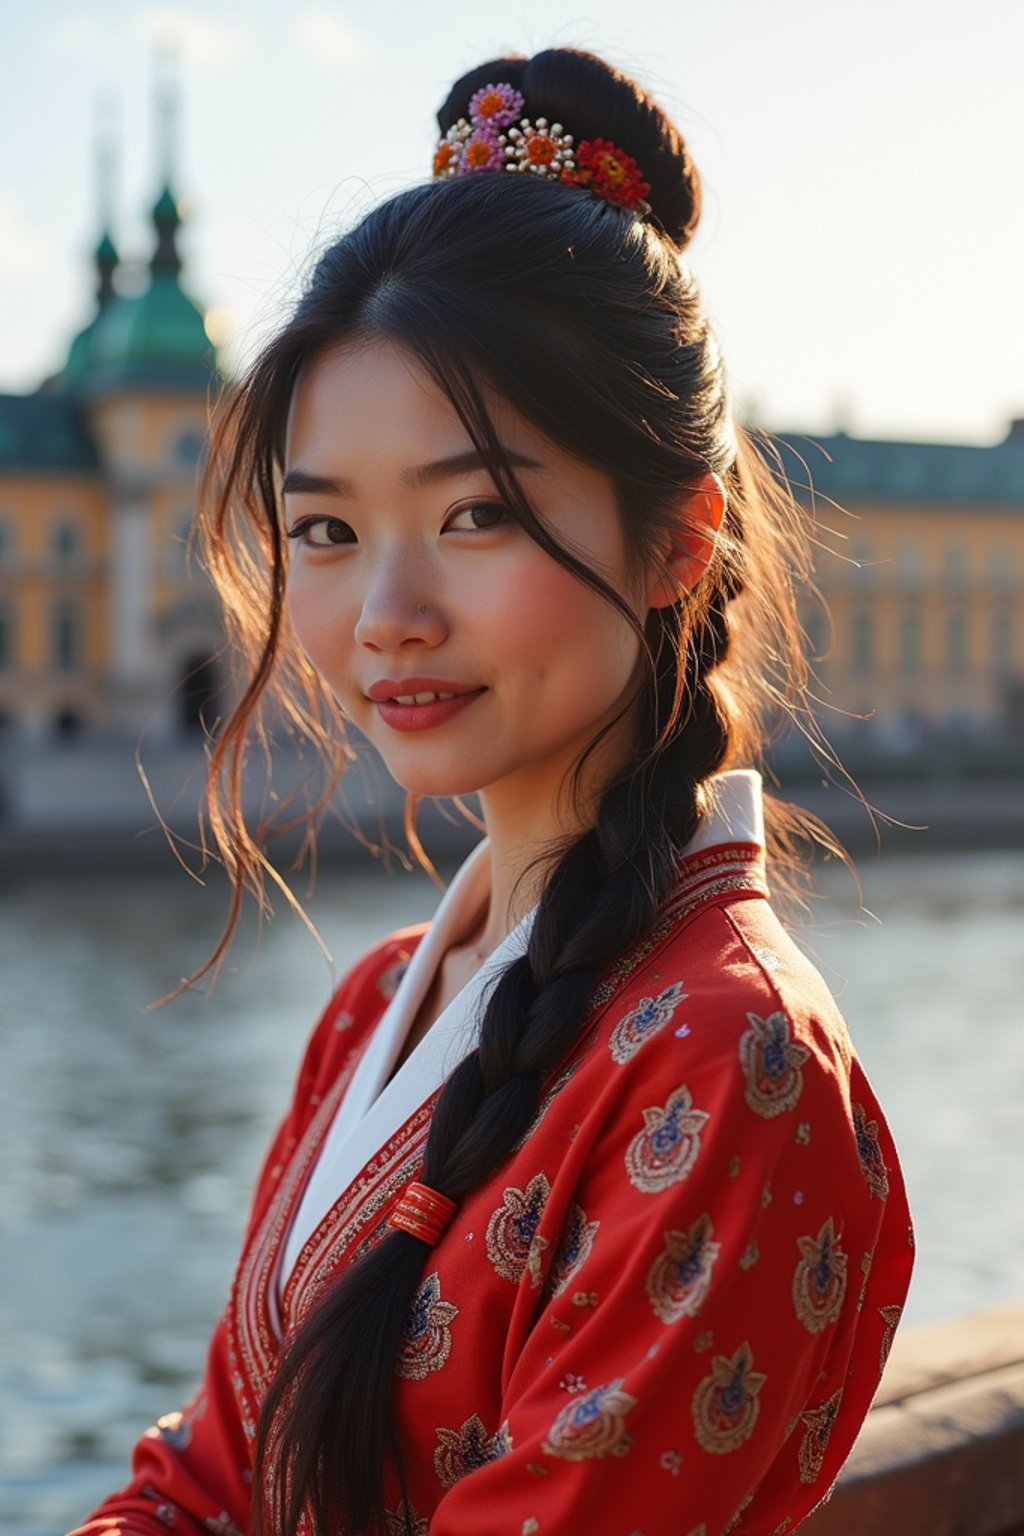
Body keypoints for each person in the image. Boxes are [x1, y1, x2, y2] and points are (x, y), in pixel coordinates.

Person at [70, 46, 913, 1536]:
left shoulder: (731, 1065)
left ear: (677, 543)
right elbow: (207, 1480)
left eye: (475, 513)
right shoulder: (378, 1001)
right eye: (322, 530)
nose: (385, 609)